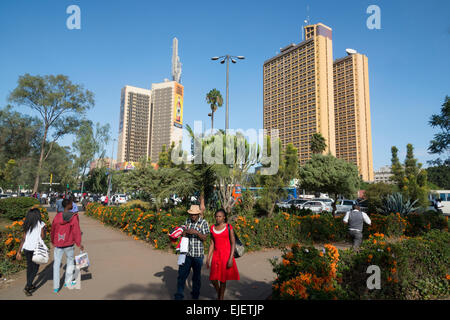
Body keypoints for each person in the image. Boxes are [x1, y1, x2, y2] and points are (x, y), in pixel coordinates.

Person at [174, 205, 209, 300]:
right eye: (191, 214)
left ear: (198, 214)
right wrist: (185, 232)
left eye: (194, 215)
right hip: (186, 254)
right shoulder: (187, 221)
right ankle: (179, 296)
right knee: (181, 275)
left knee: (196, 278)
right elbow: (183, 235)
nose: (193, 216)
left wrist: (196, 233)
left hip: (197, 255)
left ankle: (195, 296)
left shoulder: (204, 223)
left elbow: (205, 238)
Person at [51, 198, 84, 293]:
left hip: (58, 244)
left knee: (56, 264)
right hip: (69, 244)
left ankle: (56, 287)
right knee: (70, 262)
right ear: (68, 205)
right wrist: (79, 243)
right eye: (71, 203)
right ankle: (67, 282)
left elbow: (53, 229)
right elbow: (76, 231)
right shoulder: (73, 217)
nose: (72, 205)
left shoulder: (57, 216)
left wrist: (53, 240)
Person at [206, 209, 240, 300]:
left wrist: (230, 258)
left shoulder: (229, 227)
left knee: (222, 279)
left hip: (226, 256)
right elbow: (212, 243)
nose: (218, 218)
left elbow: (233, 243)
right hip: (216, 256)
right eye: (216, 216)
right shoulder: (212, 228)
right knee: (213, 278)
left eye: (220, 216)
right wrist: (208, 258)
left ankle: (220, 297)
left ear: (224, 217)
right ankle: (219, 292)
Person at [16, 208, 47, 296]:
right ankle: (28, 286)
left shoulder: (27, 224)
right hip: (36, 249)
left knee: (30, 267)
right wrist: (44, 231)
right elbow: (42, 237)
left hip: (26, 248)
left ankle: (30, 284)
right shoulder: (41, 224)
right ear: (38, 215)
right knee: (35, 268)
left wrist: (19, 251)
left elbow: (23, 238)